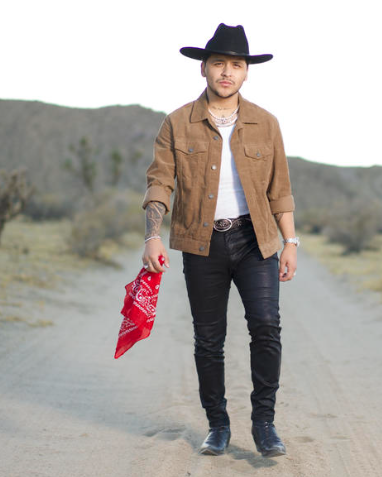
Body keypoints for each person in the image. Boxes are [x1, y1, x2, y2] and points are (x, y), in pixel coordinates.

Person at [141, 23, 298, 457]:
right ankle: (218, 425)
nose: (227, 72)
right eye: (218, 63)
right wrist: (153, 235)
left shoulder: (266, 124)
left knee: (266, 326)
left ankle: (264, 424)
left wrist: (290, 242)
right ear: (204, 68)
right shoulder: (177, 123)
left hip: (255, 240)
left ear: (246, 72)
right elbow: (160, 182)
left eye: (236, 65)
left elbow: (280, 189)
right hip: (202, 243)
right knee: (209, 339)